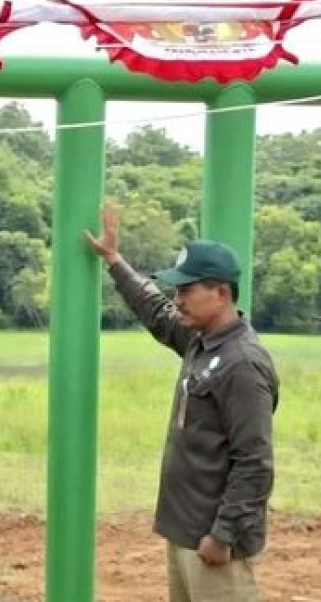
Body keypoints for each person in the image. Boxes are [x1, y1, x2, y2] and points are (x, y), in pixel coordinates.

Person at [84, 203, 279, 602]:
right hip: (186, 530)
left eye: (186, 290)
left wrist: (223, 535)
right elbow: (155, 310)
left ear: (221, 293)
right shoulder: (201, 340)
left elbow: (255, 461)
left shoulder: (242, 363)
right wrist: (114, 259)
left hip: (213, 541)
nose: (177, 299)